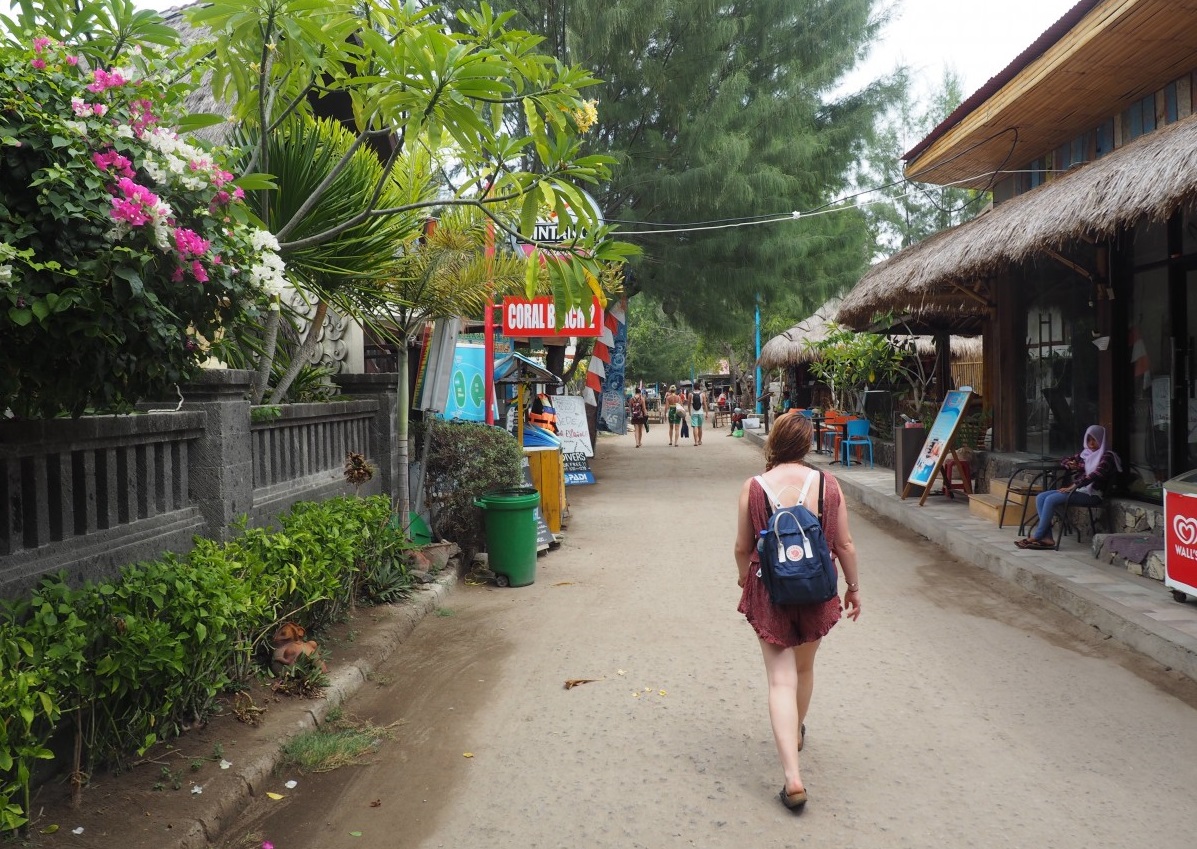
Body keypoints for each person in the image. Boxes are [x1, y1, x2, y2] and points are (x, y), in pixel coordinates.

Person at [733, 413, 861, 811]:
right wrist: (853, 588)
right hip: (816, 590)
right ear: (806, 445)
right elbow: (845, 545)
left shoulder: (753, 488)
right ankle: (797, 731)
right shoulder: (828, 484)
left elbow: (742, 546)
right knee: (803, 670)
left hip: (770, 591)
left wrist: (744, 579)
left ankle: (792, 778)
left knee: (779, 681)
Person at [1016, 424, 1121, 550]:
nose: (1091, 443)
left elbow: (1095, 475)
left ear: (1101, 439)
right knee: (1041, 497)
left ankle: (1037, 536)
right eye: (1088, 439)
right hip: (1078, 490)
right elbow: (1064, 459)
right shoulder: (1085, 454)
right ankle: (1047, 538)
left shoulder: (1107, 456)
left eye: (1094, 439)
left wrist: (1074, 485)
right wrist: (1070, 464)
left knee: (1050, 499)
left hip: (1093, 494)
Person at [690, 381, 707, 446]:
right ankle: (700, 440)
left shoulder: (690, 394)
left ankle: (696, 442)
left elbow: (688, 404)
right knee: (700, 427)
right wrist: (707, 413)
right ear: (699, 387)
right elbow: (705, 404)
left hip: (694, 412)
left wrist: (689, 411)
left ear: (694, 387)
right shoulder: (702, 394)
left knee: (695, 427)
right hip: (700, 412)